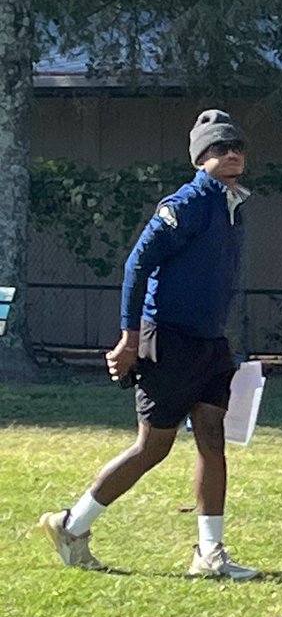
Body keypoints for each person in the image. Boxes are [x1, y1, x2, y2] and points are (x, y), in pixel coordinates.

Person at [38, 109, 258, 579]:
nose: (232, 154)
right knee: (152, 447)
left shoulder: (232, 204)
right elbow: (137, 263)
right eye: (220, 148)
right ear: (201, 159)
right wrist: (130, 337)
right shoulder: (188, 202)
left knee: (212, 439)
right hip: (169, 339)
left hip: (210, 343)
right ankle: (72, 525)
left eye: (236, 146)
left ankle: (209, 553)